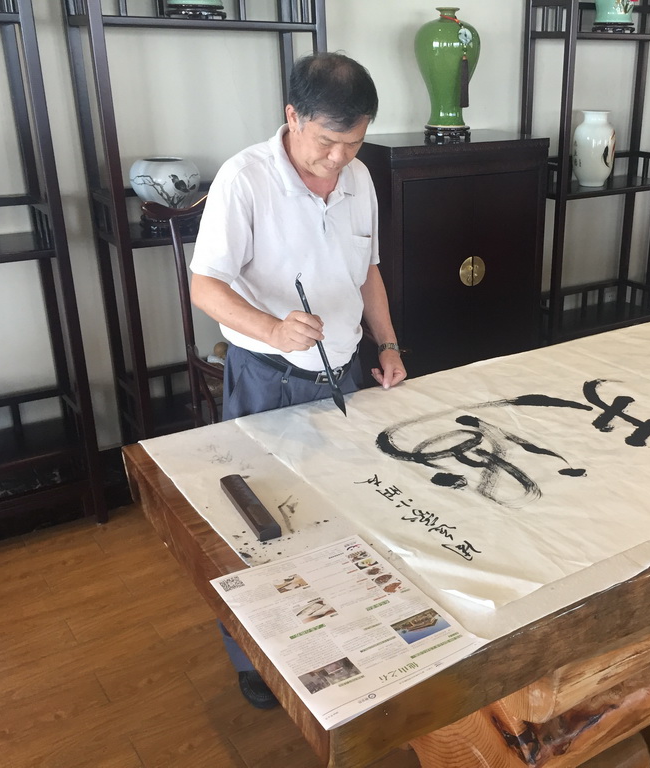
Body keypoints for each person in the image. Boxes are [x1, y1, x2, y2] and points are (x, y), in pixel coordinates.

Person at [189, 51, 407, 708]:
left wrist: (389, 343)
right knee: (259, 530)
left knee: (341, 516)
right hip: (267, 377)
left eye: (354, 143)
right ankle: (255, 660)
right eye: (327, 141)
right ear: (292, 116)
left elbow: (367, 271)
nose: (338, 158)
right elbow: (204, 284)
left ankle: (335, 638)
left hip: (341, 374)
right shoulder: (244, 178)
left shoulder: (358, 179)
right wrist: (271, 328)